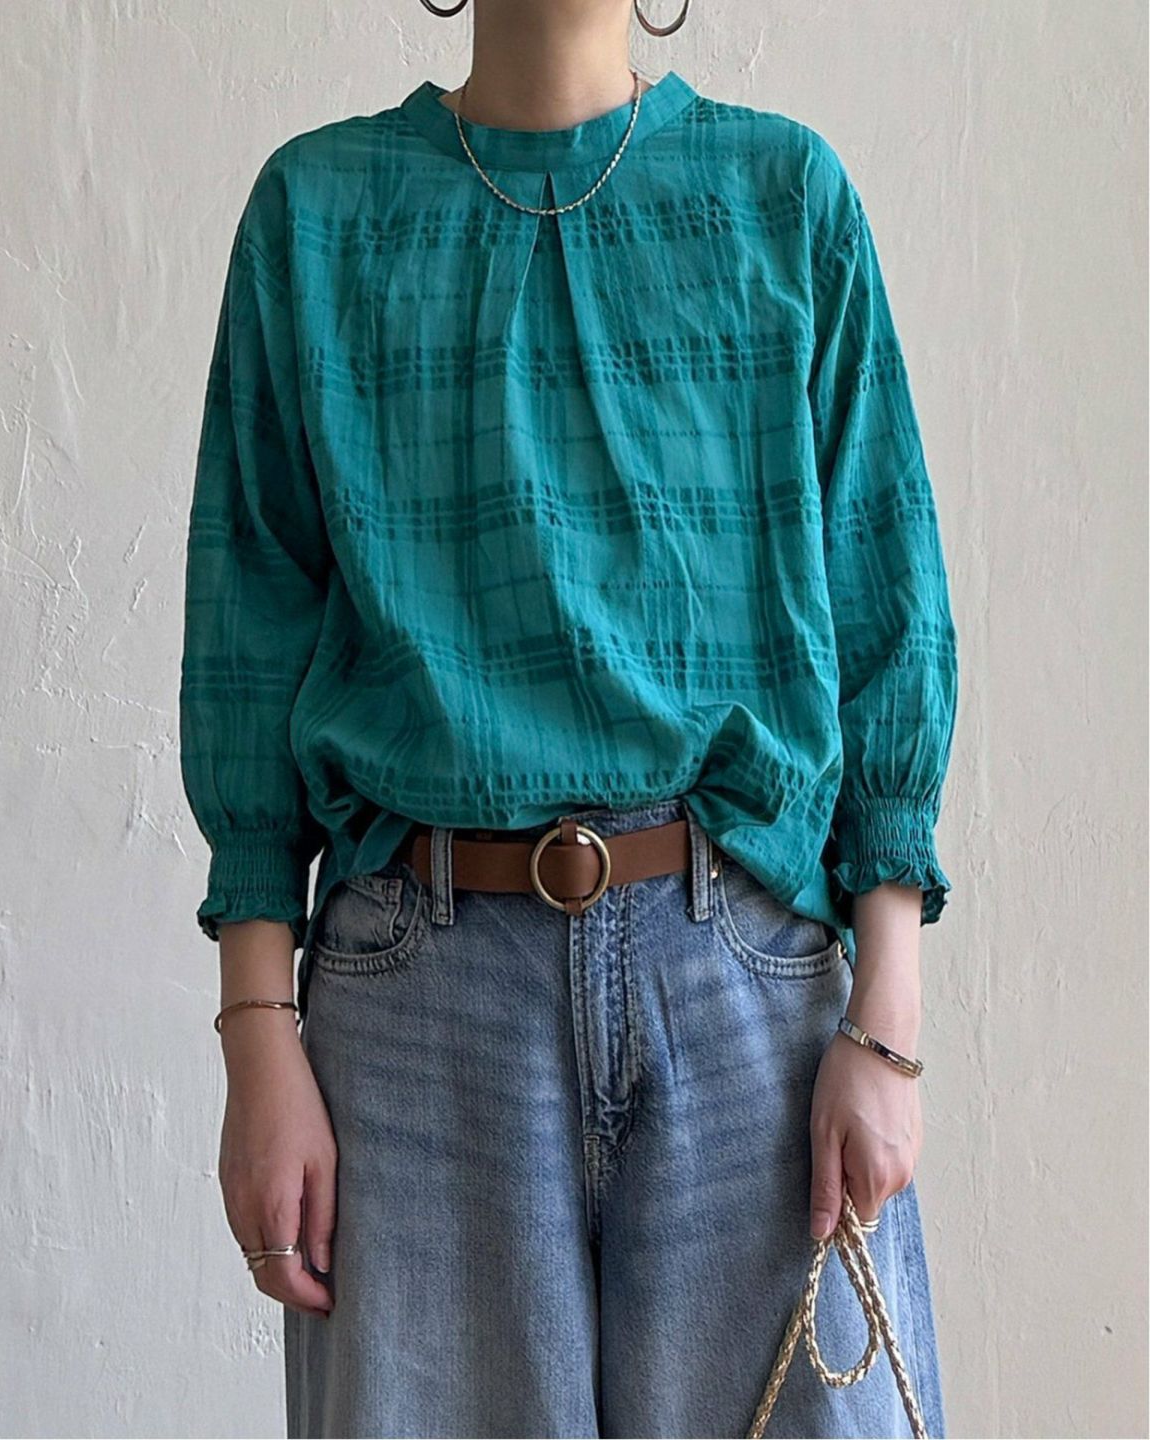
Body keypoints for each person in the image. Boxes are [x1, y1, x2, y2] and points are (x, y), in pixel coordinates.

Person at [178, 2, 959, 1435]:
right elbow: (248, 637)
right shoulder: (318, 216)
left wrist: (888, 1025)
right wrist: (255, 1034)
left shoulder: (784, 198)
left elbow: (887, 613)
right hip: (419, 1007)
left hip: (746, 990)